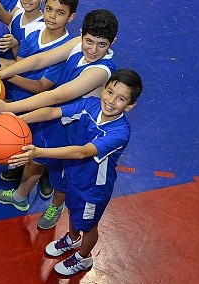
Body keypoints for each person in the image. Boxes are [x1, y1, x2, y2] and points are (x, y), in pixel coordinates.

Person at [0, 9, 118, 230]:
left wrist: (9, 108)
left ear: (113, 42)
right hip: (53, 116)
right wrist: (0, 74)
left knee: (62, 177)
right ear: (82, 34)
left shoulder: (101, 71)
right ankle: (20, 196)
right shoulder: (76, 43)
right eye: (89, 41)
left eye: (101, 44)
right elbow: (40, 59)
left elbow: (56, 94)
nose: (93, 49)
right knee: (34, 155)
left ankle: (56, 205)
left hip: (74, 131)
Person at [9, 69, 143, 276]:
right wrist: (18, 119)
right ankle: (72, 239)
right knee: (72, 210)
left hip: (92, 189)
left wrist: (39, 152)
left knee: (88, 225)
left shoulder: (119, 132)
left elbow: (83, 152)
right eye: (109, 92)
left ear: (130, 106)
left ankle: (84, 257)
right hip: (73, 174)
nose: (111, 101)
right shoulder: (91, 105)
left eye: (121, 98)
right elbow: (54, 112)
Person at [0, 0, 78, 196]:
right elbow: (21, 62)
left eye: (60, 13)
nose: (51, 16)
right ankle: (23, 167)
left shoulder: (66, 49)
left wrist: (6, 73)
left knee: (39, 144)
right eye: (49, 9)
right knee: (19, 139)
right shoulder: (34, 31)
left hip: (41, 104)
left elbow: (42, 86)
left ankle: (44, 175)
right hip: (17, 96)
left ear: (71, 17)